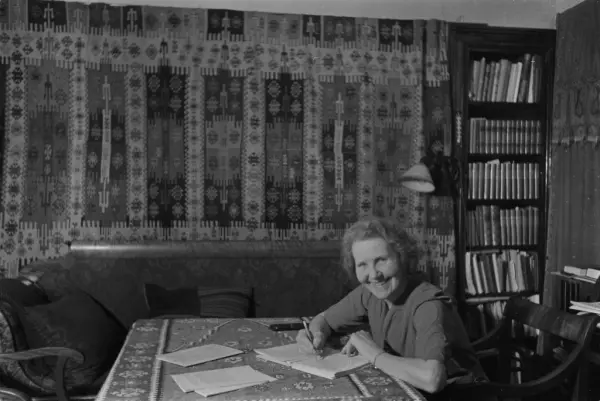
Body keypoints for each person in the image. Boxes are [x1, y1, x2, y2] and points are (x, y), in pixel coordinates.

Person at [296, 217, 487, 397]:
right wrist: (316, 335)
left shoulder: (429, 305)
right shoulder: (369, 293)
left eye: (381, 260)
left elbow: (432, 379)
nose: (373, 275)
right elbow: (324, 319)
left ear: (403, 257)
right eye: (362, 265)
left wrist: (372, 352)